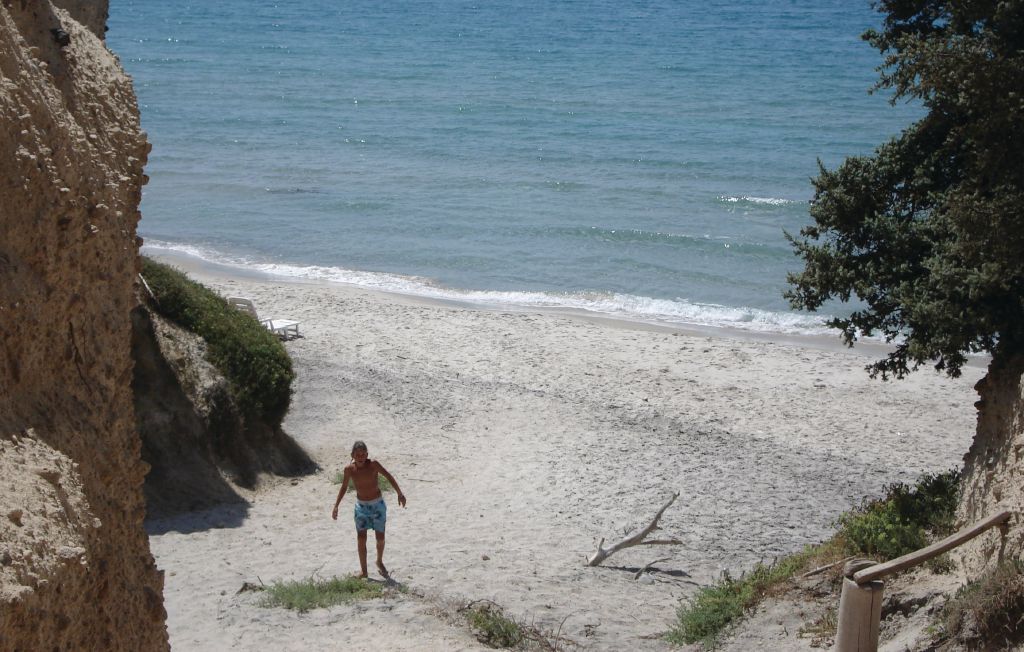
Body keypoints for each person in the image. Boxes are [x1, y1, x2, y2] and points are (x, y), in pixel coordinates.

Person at [331, 440, 406, 578]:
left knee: (380, 539)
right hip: (361, 507)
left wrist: (400, 493)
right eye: (357, 454)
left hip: (377, 505)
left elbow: (388, 476)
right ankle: (364, 571)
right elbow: (344, 487)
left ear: (367, 454)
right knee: (361, 538)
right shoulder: (349, 469)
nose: (360, 457)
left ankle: (379, 560)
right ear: (352, 455)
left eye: (363, 454)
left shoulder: (373, 465)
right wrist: (336, 506)